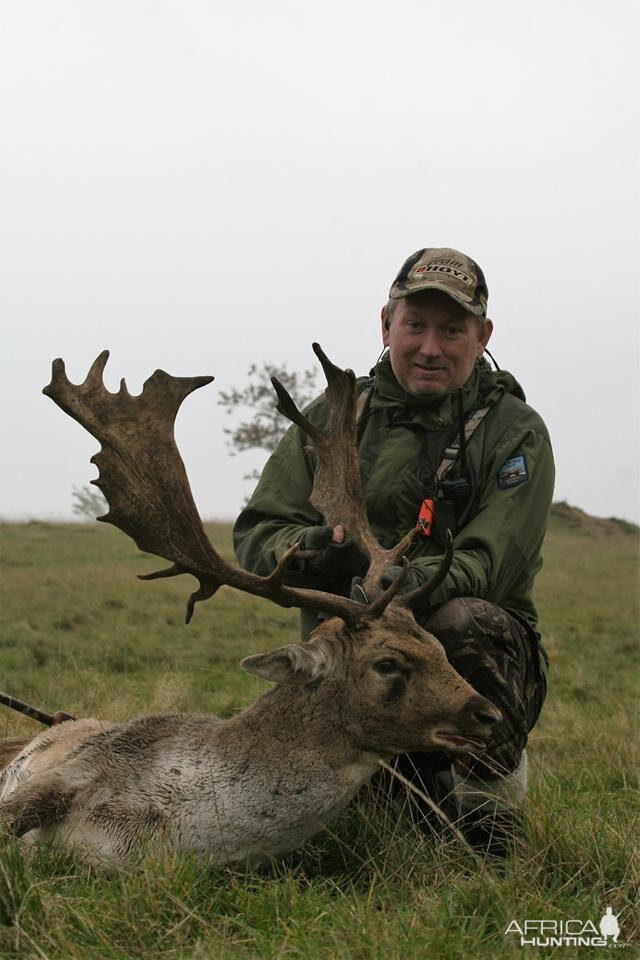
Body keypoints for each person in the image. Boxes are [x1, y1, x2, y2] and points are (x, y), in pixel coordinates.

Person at [234, 247, 554, 851]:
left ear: (482, 336)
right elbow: (258, 533)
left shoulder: (515, 432)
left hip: (459, 657)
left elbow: (492, 561)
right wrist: (306, 550)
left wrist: (404, 581)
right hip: (349, 668)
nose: (431, 348)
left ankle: (490, 802)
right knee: (357, 832)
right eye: (416, 326)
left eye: (452, 330)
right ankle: (395, 794)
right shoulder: (332, 418)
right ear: (387, 325)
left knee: (466, 620)